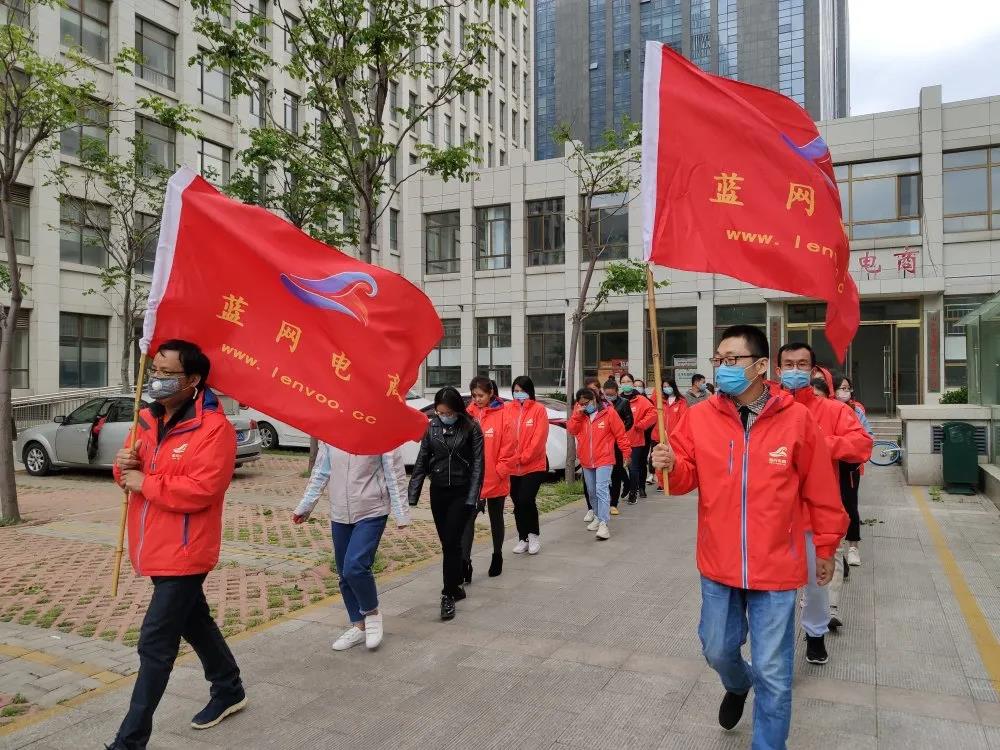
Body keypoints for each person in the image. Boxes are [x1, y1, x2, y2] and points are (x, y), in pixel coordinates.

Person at [651, 325, 846, 750]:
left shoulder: (797, 420)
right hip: (718, 563)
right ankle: (738, 683)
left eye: (731, 359)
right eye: (718, 359)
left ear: (759, 366)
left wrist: (826, 545)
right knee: (717, 650)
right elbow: (681, 479)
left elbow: (821, 490)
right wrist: (667, 463)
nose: (721, 366)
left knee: (774, 673)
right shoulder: (699, 416)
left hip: (776, 568)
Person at [107, 340, 246, 750]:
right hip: (153, 545)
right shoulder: (146, 418)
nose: (157, 379)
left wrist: (145, 482)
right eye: (155, 370)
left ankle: (129, 741)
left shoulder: (214, 429)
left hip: (187, 551)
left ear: (193, 379)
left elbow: (203, 488)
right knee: (193, 620)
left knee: (155, 642)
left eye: (168, 373)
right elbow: (128, 475)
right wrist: (123, 467)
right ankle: (228, 687)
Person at [776, 346, 872, 666]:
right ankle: (776, 640)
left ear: (813, 370)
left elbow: (862, 444)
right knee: (775, 585)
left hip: (815, 511)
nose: (795, 370)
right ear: (778, 370)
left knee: (816, 583)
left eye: (802, 364)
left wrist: (821, 444)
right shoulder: (768, 409)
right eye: (789, 364)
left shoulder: (833, 411)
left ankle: (815, 634)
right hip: (774, 512)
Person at [292, 442, 410, 651]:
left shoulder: (380, 434)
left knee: (355, 567)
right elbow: (321, 472)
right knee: (344, 574)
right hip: (340, 512)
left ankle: (372, 613)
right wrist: (306, 505)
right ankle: (358, 625)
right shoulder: (331, 435)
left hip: (372, 511)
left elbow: (394, 474)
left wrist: (401, 513)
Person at [408, 387, 484, 621]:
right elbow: (422, 460)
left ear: (457, 410)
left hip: (462, 491)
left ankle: (447, 594)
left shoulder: (471, 428)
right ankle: (457, 582)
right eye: (440, 413)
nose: (444, 416)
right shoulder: (431, 427)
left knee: (451, 542)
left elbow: (478, 466)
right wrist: (412, 494)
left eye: (448, 413)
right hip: (439, 491)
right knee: (448, 543)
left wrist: (473, 498)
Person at [462, 377, 516, 578]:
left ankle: (497, 555)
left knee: (496, 518)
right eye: (474, 395)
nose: (477, 399)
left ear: (491, 393)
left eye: (481, 395)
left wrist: (500, 470)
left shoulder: (504, 415)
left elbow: (509, 447)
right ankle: (465, 563)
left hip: (496, 478)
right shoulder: (467, 415)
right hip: (472, 480)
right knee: (467, 520)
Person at [567, 388, 631, 540]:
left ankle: (604, 523)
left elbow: (620, 434)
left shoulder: (609, 413)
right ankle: (597, 516)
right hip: (587, 460)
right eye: (581, 404)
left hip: (604, 458)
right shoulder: (580, 415)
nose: (584, 406)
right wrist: (577, 415)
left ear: (595, 399)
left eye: (587, 403)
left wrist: (626, 453)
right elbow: (572, 430)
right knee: (591, 491)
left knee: (601, 489)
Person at [506, 375, 549, 556]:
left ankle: (533, 535)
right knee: (517, 502)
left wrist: (524, 457)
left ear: (529, 391)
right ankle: (522, 537)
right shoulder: (508, 409)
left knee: (526, 499)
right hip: (512, 467)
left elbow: (539, 438)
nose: (519, 394)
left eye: (522, 391)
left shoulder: (539, 410)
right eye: (516, 391)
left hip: (533, 465)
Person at [581, 376, 632, 521]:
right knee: (590, 487)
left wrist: (625, 450)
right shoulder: (582, 408)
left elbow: (622, 428)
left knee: (606, 483)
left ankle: (610, 508)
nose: (592, 392)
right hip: (589, 453)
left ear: (599, 390)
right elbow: (574, 429)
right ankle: (592, 509)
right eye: (589, 390)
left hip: (608, 448)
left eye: (594, 389)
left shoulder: (608, 408)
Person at [834, 374, 871, 565]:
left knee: (850, 506)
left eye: (847, 388)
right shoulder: (828, 410)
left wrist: (846, 447)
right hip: (829, 467)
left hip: (849, 468)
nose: (845, 392)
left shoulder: (856, 411)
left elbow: (868, 437)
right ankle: (835, 545)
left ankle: (853, 546)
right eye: (841, 388)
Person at [619, 373, 657, 503]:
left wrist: (641, 425)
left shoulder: (641, 399)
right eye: (623, 382)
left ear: (632, 383)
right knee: (618, 468)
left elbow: (653, 413)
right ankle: (627, 485)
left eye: (628, 381)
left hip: (635, 439)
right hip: (619, 440)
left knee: (633, 467)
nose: (626, 384)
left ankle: (634, 492)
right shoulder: (618, 400)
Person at [602, 377, 633, 516]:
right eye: (607, 394)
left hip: (617, 442)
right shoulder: (601, 404)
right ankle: (626, 482)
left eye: (612, 394)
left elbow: (629, 421)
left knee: (616, 471)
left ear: (616, 391)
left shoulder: (623, 402)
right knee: (606, 473)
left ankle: (613, 503)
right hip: (603, 443)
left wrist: (618, 431)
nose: (609, 397)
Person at [651, 378, 688, 492]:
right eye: (664, 386)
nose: (666, 388)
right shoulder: (660, 401)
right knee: (660, 458)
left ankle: (670, 480)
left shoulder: (681, 401)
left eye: (668, 386)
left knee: (671, 459)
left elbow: (683, 419)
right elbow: (653, 399)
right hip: (660, 434)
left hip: (674, 437)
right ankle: (661, 481)